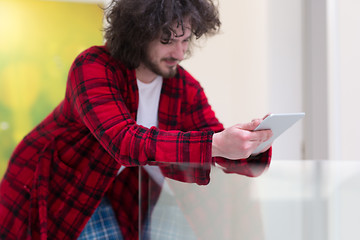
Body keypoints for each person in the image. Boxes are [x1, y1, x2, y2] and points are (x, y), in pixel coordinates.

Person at [0, 0, 273, 239]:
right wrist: (217, 143)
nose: (179, 53)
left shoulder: (184, 88)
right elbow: (124, 142)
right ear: (138, 33)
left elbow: (213, 141)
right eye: (167, 40)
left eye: (185, 40)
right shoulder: (94, 66)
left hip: (121, 191)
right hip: (56, 186)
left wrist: (251, 144)